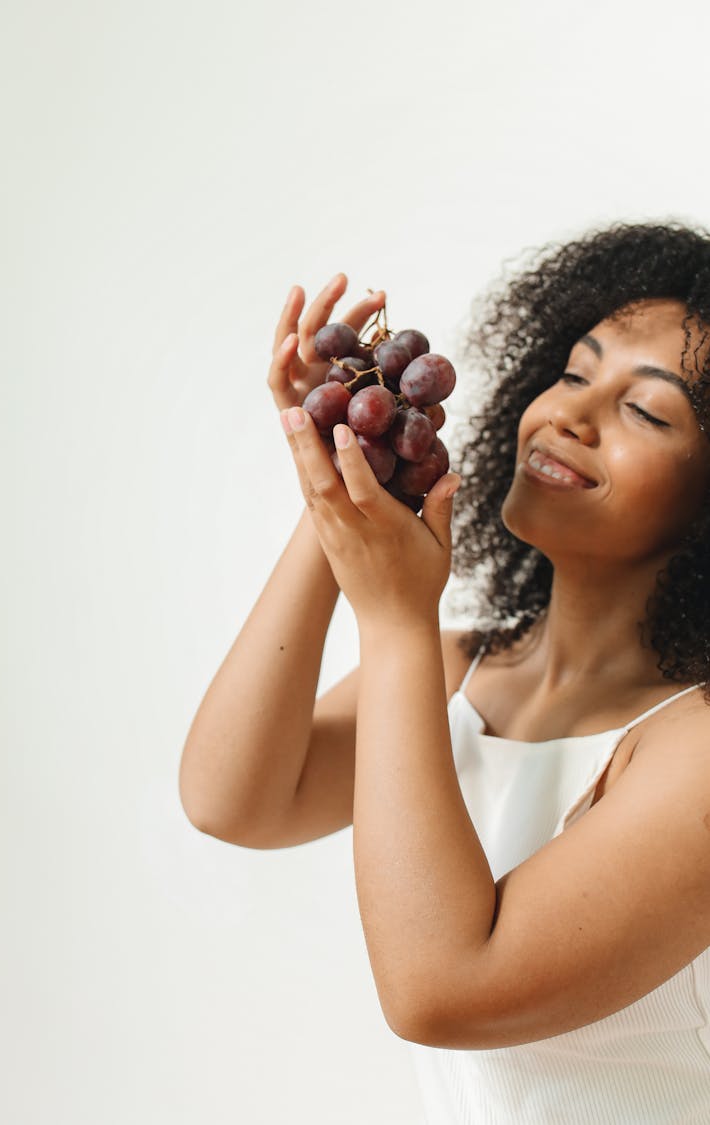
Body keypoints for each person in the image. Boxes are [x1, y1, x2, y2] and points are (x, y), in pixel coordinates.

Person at [179, 220, 710, 1122]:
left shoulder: (692, 751)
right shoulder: (465, 667)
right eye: (576, 372)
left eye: (646, 411)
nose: (570, 415)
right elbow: (234, 798)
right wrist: (343, 474)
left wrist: (392, 619)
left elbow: (438, 989)